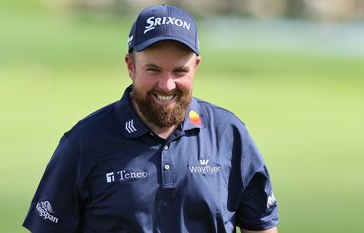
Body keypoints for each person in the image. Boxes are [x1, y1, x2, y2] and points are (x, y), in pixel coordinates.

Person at [23, 4, 279, 233]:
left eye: (179, 71)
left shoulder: (229, 134)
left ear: (196, 66)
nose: (167, 85)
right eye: (153, 70)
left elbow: (260, 227)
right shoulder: (84, 142)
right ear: (131, 66)